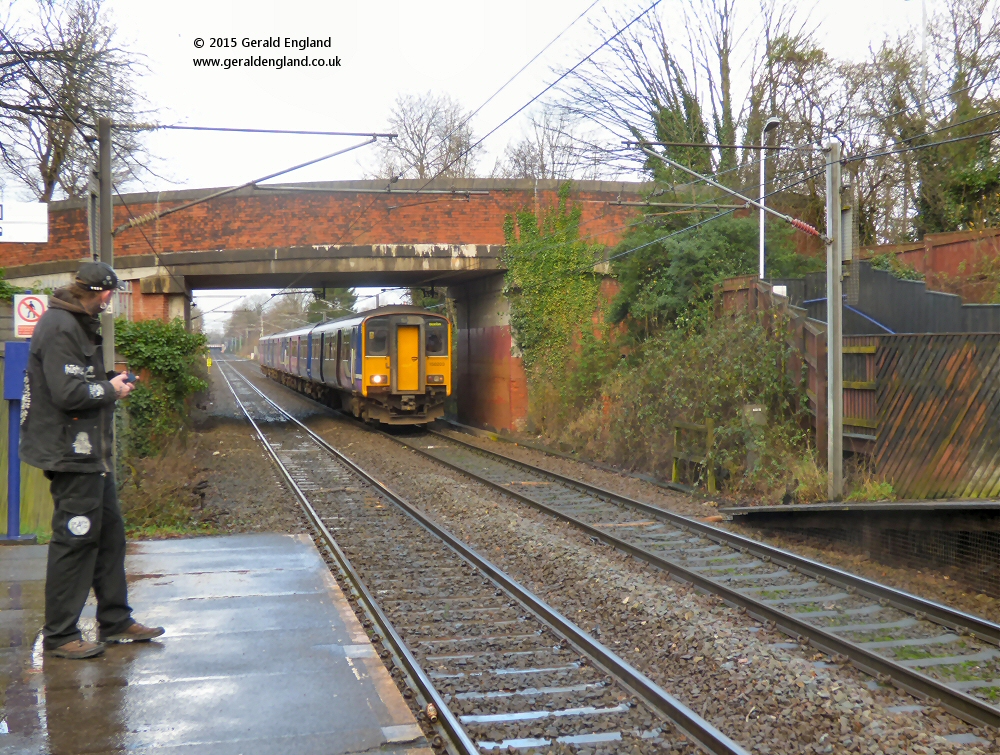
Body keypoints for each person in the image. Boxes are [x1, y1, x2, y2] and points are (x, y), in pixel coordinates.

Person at [19, 261, 164, 660]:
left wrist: (107, 381)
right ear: (103, 293)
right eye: (110, 295)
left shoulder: (75, 323)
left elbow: (79, 380)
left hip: (89, 454)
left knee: (110, 537)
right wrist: (110, 389)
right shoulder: (60, 326)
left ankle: (115, 620)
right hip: (71, 453)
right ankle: (60, 635)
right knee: (76, 540)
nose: (109, 302)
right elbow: (68, 393)